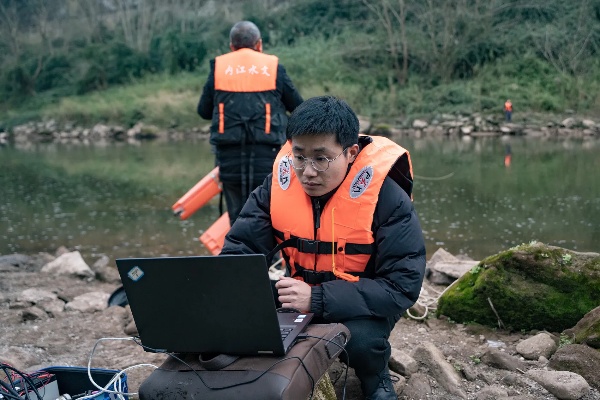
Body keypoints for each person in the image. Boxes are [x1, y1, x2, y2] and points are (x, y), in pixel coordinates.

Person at [221, 96, 426, 400]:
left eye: (321, 158)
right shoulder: (277, 186)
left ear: (351, 152)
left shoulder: (387, 197)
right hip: (298, 294)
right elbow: (238, 253)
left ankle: (375, 377)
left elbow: (401, 287)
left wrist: (315, 299)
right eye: (299, 156)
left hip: (363, 302)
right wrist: (255, 292)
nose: (308, 171)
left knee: (362, 343)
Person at [197, 21, 304, 225]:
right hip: (268, 157)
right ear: (259, 44)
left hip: (229, 160)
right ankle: (268, 257)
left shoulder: (219, 68)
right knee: (266, 215)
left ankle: (239, 255)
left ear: (231, 47)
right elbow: (298, 107)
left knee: (237, 218)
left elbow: (203, 111)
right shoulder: (273, 69)